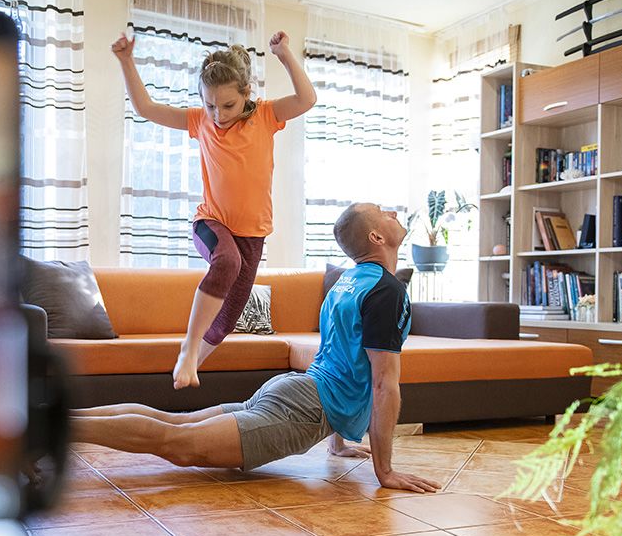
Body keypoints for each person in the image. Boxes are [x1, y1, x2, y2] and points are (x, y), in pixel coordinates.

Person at [70, 203, 441, 494]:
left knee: (176, 422)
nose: (393, 213)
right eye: (383, 212)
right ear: (377, 237)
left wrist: (338, 442)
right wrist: (385, 470)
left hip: (295, 390)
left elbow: (340, 359)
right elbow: (382, 385)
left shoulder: (347, 284)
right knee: (178, 442)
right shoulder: (387, 291)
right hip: (303, 408)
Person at [111, 29, 317, 390]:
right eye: (210, 105)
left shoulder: (266, 116)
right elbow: (146, 108)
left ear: (246, 95)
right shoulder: (200, 122)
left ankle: (186, 371)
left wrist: (284, 54)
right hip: (211, 221)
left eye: (228, 106)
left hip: (253, 233)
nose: (218, 115)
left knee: (227, 319)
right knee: (227, 262)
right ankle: (188, 351)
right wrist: (127, 61)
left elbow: (307, 98)